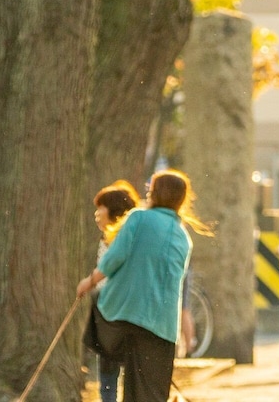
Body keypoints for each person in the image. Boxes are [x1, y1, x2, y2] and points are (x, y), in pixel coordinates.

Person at [76, 171, 213, 402]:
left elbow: (114, 258)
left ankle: (107, 395)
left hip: (124, 316)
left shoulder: (138, 218)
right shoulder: (183, 237)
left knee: (104, 335)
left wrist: (89, 281)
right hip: (163, 328)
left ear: (155, 193)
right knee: (150, 394)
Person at [81, 180, 139, 392]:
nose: (97, 214)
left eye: (101, 208)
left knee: (113, 362)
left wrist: (90, 282)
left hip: (120, 310)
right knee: (108, 362)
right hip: (108, 307)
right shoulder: (106, 239)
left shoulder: (122, 239)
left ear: (114, 210)